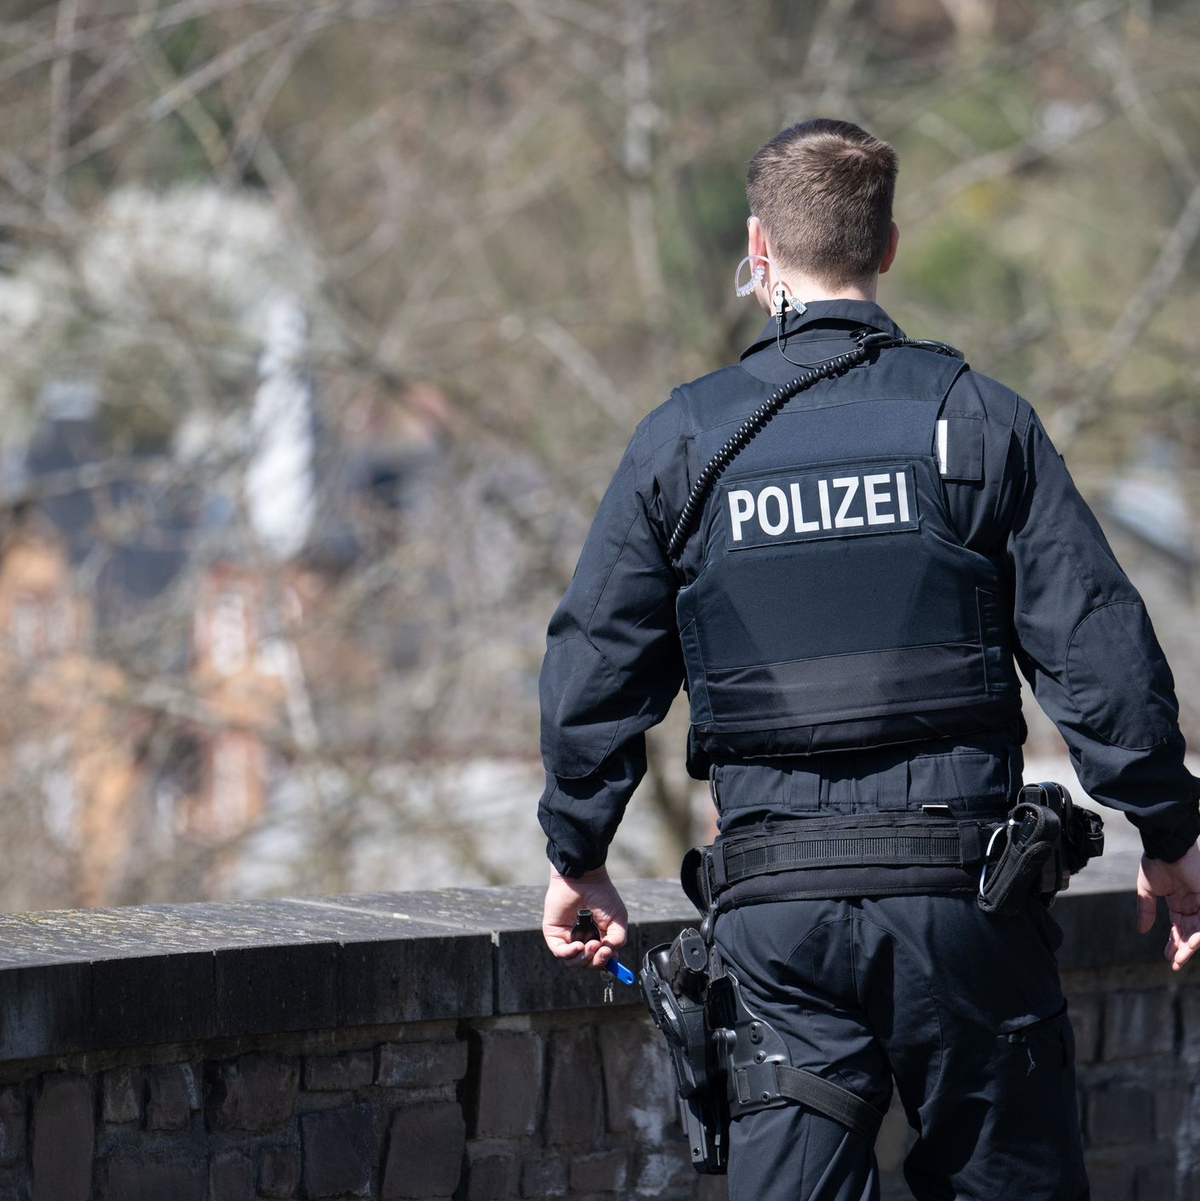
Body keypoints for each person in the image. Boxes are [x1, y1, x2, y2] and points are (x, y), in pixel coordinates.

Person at [537, 118, 1200, 1201]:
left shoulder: (687, 442)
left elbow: (596, 664)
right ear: (888, 246)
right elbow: (1101, 655)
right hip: (965, 904)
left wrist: (578, 848)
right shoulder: (975, 422)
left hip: (776, 915)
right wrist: (1168, 830)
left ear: (758, 247)